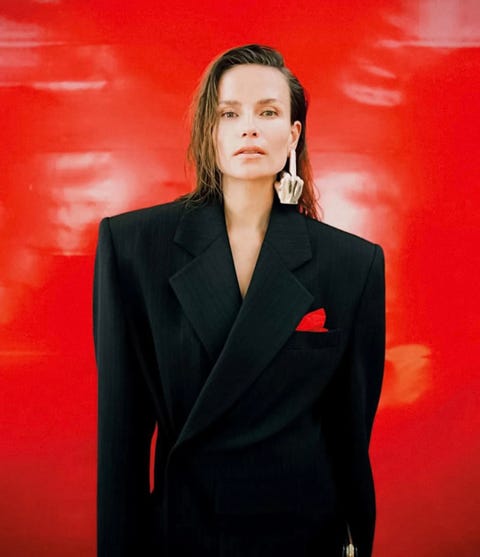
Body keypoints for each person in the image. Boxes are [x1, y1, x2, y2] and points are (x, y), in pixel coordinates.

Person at [93, 43, 386, 557]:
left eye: (268, 112)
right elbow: (122, 437)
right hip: (184, 532)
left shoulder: (352, 263)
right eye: (230, 113)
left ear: (293, 133)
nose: (249, 127)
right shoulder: (134, 247)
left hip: (303, 534)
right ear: (210, 131)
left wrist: (355, 541)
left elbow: (349, 434)